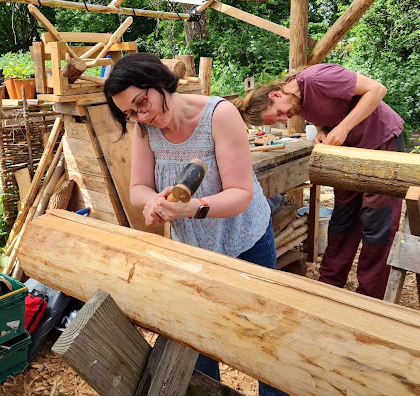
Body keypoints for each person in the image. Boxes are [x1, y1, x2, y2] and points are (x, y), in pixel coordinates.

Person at [103, 52, 289, 396]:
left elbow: (240, 195)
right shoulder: (144, 129)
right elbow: (137, 189)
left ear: (160, 83)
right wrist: (155, 202)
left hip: (245, 242)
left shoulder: (219, 115)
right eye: (130, 113)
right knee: (197, 337)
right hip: (194, 251)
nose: (141, 116)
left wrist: (192, 208)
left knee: (262, 338)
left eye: (141, 102)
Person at [234, 63, 404, 300]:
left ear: (275, 95)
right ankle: (329, 287)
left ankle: (370, 297)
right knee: (343, 218)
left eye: (281, 113)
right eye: (280, 120)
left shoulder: (318, 78)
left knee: (377, 223)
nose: (286, 118)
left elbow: (377, 89)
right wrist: (322, 130)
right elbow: (321, 113)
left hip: (380, 142)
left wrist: (343, 129)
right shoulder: (295, 100)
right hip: (348, 150)